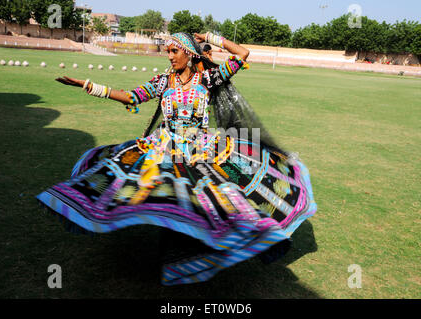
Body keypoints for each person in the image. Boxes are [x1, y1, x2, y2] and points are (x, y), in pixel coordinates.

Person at [37, 32, 317, 286]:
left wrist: (211, 37)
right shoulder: (163, 82)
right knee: (161, 193)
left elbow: (242, 55)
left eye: (174, 51)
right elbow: (131, 97)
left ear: (189, 54)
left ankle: (194, 249)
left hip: (201, 151)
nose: (169, 56)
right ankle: (174, 243)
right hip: (165, 147)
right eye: (167, 51)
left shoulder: (207, 79)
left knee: (211, 199)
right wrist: (89, 85)